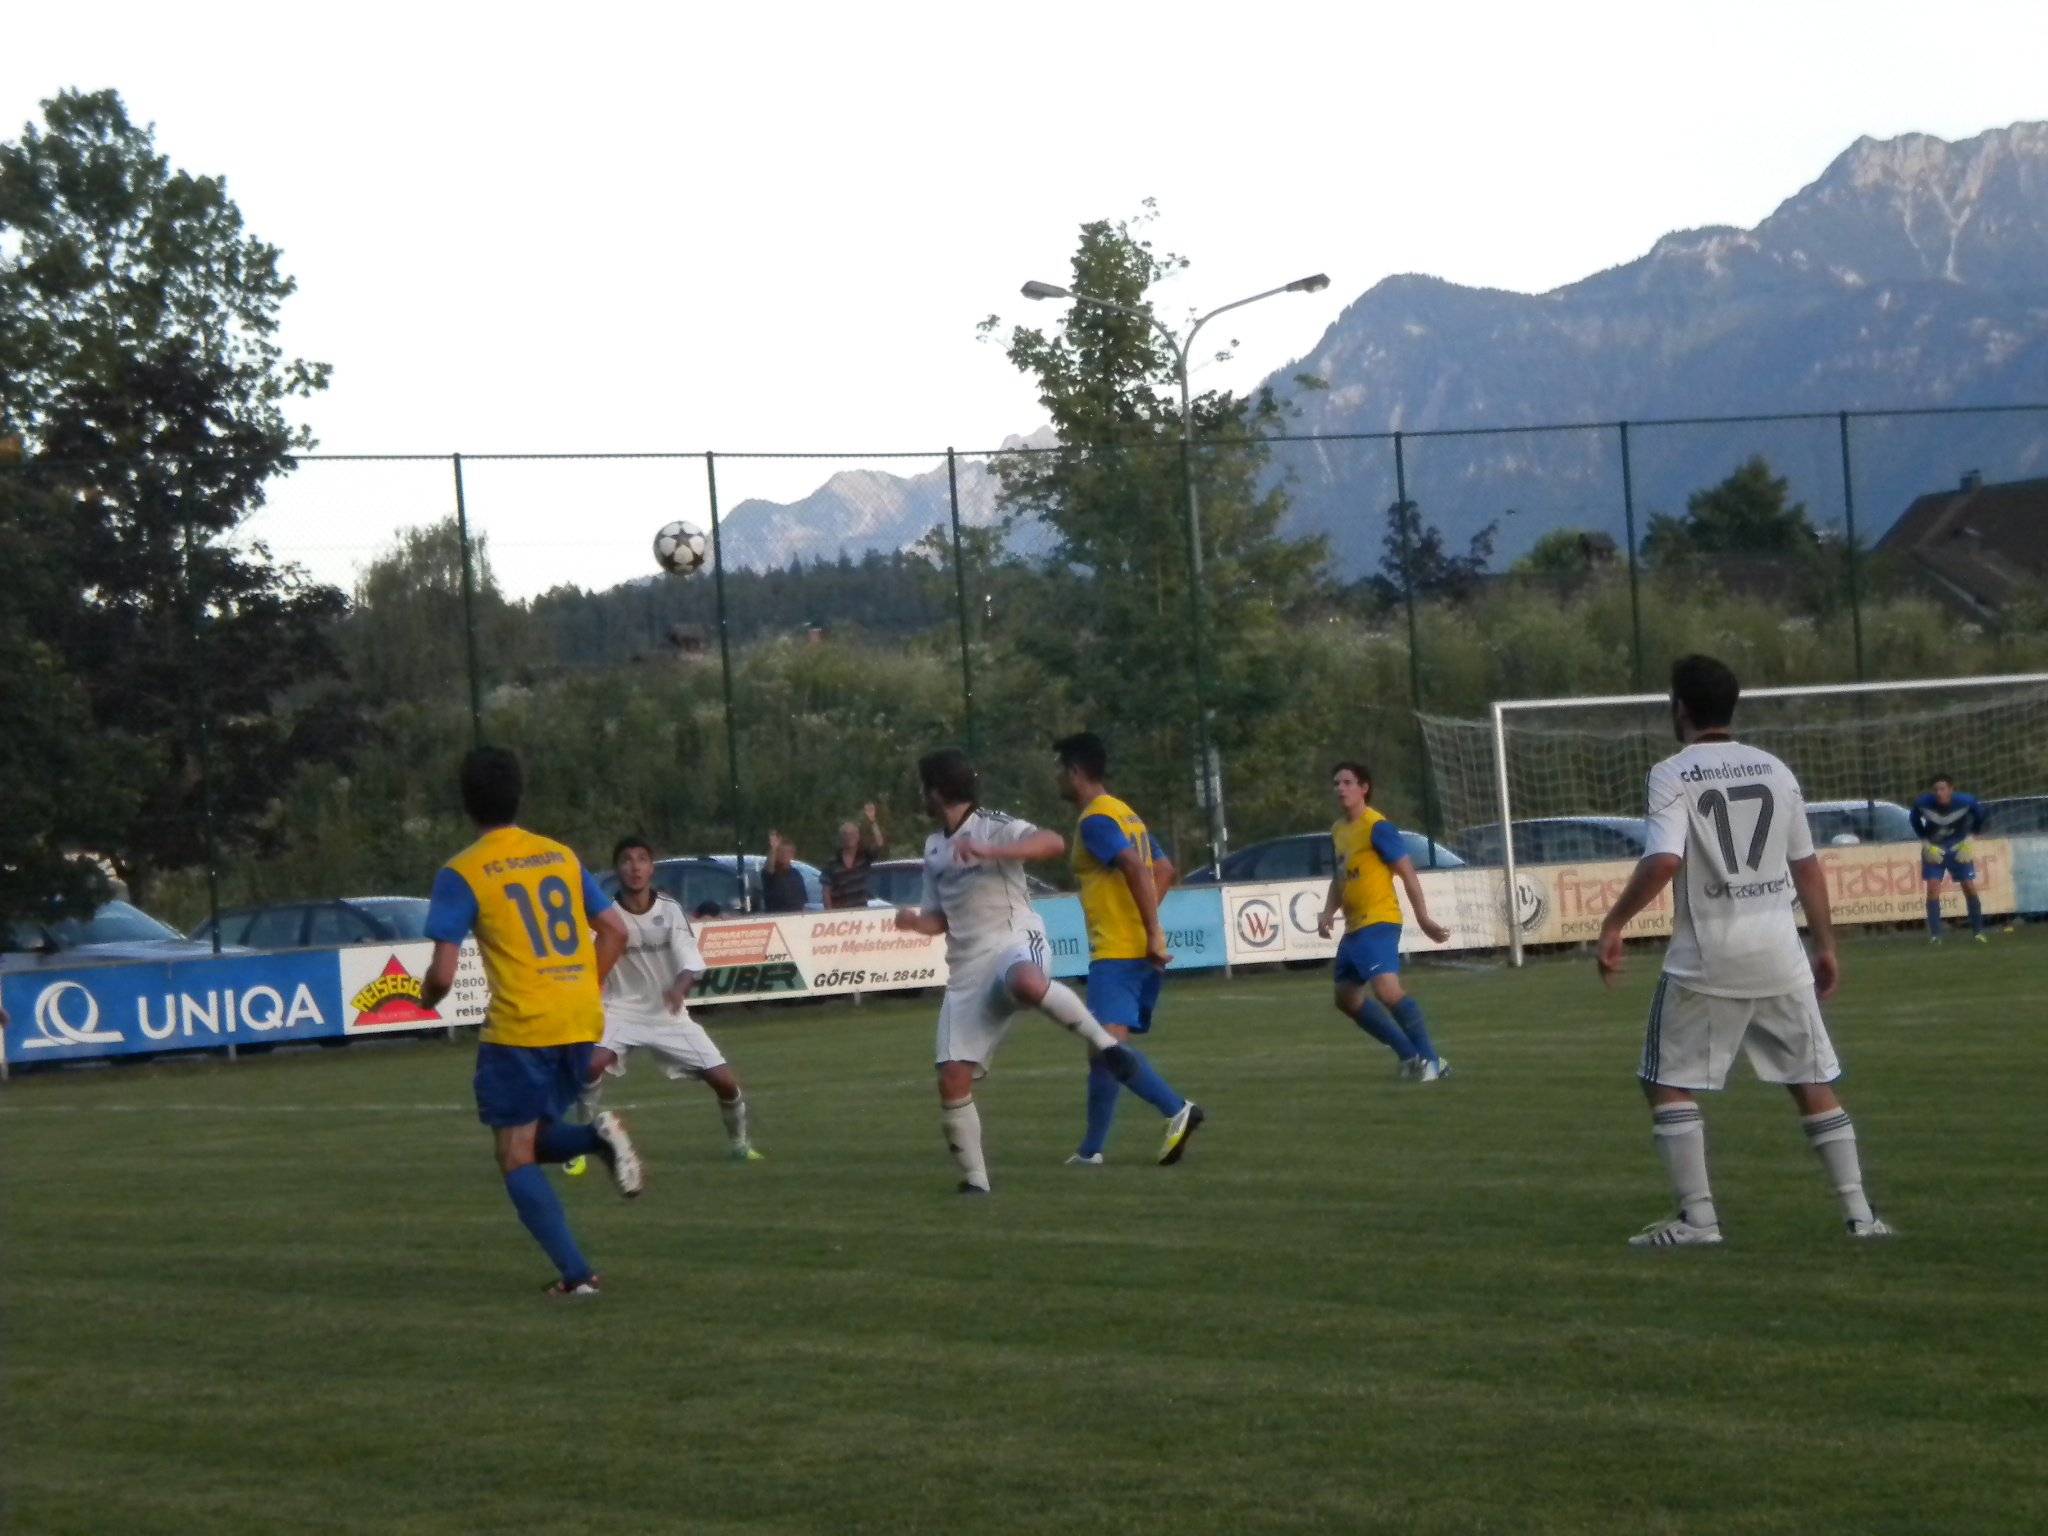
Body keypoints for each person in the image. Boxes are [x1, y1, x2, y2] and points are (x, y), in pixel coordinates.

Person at [1597, 654, 1892, 1247]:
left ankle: (1698, 1219)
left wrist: (1614, 922)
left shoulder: (1673, 773)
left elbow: (1663, 860)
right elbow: (1807, 867)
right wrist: (1825, 945)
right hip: (1780, 950)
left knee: (1663, 1079)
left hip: (1707, 956)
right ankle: (1862, 1216)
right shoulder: (1775, 769)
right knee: (1810, 1079)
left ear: (1679, 707)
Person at [420, 746, 644, 1297]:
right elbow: (616, 930)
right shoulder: (559, 856)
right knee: (535, 1136)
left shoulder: (462, 871)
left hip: (522, 1025)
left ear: (465, 802)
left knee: (513, 1152)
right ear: (519, 795)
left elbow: (444, 974)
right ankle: (594, 1140)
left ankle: (578, 1276)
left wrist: (427, 998)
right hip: (579, 1018)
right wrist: (581, 986)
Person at [892, 747, 1167, 1193]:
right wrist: (913, 922)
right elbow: (938, 918)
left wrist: (989, 849)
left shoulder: (992, 824)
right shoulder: (934, 847)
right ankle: (976, 1182)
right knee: (952, 1080)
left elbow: (1052, 842)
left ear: (937, 791)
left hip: (1013, 940)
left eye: (924, 788)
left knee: (1025, 981)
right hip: (967, 970)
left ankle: (1107, 1047)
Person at [1053, 732, 1203, 1165]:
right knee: (1102, 1050)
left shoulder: (1095, 821)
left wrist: (1150, 928)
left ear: (1075, 772)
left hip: (1119, 952)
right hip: (1137, 949)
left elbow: (1137, 867)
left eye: (1060, 770)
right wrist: (1147, 926)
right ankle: (1090, 1151)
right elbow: (1165, 869)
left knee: (1106, 1047)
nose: (1057, 779)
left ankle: (1176, 1110)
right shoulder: (1125, 814)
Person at [579, 836, 762, 1162]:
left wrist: (679, 989)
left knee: (724, 1082)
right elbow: (592, 967)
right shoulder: (606, 916)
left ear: (651, 867)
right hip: (620, 1010)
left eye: (641, 859)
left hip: (668, 1014)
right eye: (626, 860)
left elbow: (689, 961)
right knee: (590, 1066)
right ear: (616, 869)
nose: (634, 867)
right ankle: (579, 1146)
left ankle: (740, 1144)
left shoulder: (669, 909)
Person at [1315, 762, 1453, 1079]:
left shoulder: (1377, 826)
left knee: (1388, 992)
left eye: (1347, 782)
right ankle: (1409, 1055)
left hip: (1378, 921)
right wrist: (1328, 911)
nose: (1340, 789)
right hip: (1354, 928)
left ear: (1364, 788)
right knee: (1346, 998)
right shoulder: (1339, 830)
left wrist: (1423, 918)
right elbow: (1340, 877)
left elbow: (1407, 873)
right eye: (1336, 783)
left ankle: (1432, 1061)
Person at [1911, 774, 1990, 944]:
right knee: (1933, 888)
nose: (1939, 793)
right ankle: (1935, 936)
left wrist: (1970, 839)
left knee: (1968, 886)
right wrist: (1925, 842)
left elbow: (1981, 817)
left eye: (1942, 789)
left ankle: (1978, 932)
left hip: (1958, 848)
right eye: (1935, 789)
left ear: (1951, 789)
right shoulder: (1922, 803)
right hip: (1934, 848)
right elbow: (1914, 820)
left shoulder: (1966, 802)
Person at [821, 803, 888, 909]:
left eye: (852, 834)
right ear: (841, 837)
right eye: (846, 834)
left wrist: (872, 821)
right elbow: (826, 892)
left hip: (860, 912)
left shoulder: (864, 857)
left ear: (858, 837)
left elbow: (879, 844)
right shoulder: (832, 862)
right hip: (839, 913)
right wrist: (829, 914)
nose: (849, 837)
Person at [762, 831, 807, 913]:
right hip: (776, 916)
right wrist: (773, 848)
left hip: (795, 915)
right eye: (780, 851)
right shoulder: (771, 873)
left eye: (787, 851)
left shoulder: (796, 874)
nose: (784, 854)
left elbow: (802, 901)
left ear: (792, 854)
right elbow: (769, 868)